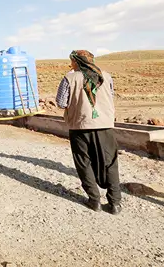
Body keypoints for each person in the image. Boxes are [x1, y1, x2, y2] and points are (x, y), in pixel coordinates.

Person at [55, 50, 121, 215]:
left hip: (80, 127)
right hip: (105, 125)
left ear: (76, 62)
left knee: (84, 163)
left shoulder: (69, 78)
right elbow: (110, 96)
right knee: (110, 163)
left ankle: (94, 200)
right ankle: (115, 203)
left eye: (71, 62)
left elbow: (61, 103)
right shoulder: (106, 76)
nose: (70, 65)